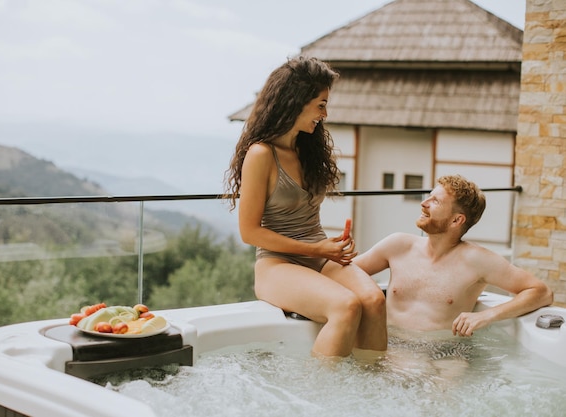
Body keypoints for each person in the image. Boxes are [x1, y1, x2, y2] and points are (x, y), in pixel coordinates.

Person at [224, 56, 387, 358]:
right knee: (346, 306)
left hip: (319, 257)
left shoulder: (306, 150)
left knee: (375, 300)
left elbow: (309, 224)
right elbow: (249, 232)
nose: (325, 114)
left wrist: (331, 247)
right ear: (296, 101)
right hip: (277, 265)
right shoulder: (261, 154)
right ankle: (319, 397)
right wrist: (318, 250)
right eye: (320, 104)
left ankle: (371, 389)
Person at [354, 174, 553, 336]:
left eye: (436, 201)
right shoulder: (398, 245)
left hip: (442, 357)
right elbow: (346, 272)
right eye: (429, 196)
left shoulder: (476, 260)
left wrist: (487, 316)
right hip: (391, 348)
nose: (424, 203)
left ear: (457, 220)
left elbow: (541, 293)